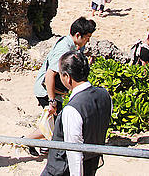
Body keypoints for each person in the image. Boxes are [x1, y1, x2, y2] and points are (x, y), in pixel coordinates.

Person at [27, 17, 97, 153]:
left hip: (55, 92)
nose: (87, 41)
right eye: (87, 38)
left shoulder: (73, 47)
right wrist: (51, 100)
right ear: (78, 35)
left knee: (54, 122)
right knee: (57, 123)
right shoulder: (63, 48)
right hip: (46, 91)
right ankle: (26, 140)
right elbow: (49, 75)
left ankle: (41, 144)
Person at [41, 51, 112, 176]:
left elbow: (74, 152)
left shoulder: (72, 109)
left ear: (68, 77)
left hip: (63, 169)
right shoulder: (104, 94)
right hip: (92, 162)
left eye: (61, 74)